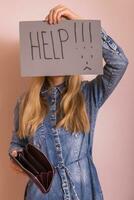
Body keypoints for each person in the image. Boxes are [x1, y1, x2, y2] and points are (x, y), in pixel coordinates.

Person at [8, 4, 129, 200]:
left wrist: (81, 25)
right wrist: (15, 156)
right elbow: (16, 144)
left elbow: (119, 62)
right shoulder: (25, 103)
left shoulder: (88, 95)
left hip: (83, 193)